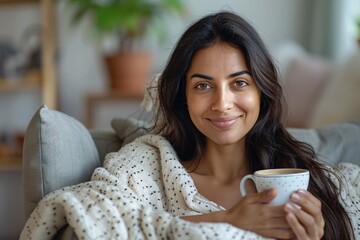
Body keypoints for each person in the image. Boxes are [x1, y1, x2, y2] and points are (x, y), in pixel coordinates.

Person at [21, 11, 358, 240]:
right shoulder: (147, 165)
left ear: (262, 92)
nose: (222, 103)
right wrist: (225, 220)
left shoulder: (310, 177)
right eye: (203, 85)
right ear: (183, 95)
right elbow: (87, 217)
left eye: (239, 83)